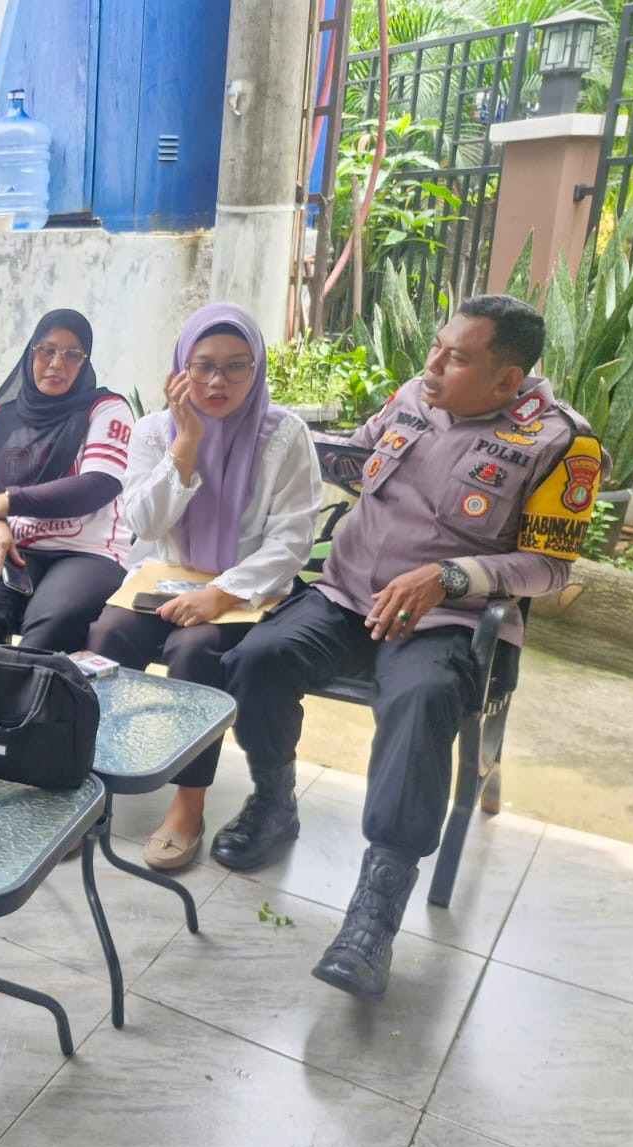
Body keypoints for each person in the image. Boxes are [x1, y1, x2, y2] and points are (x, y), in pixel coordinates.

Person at [218, 295, 605, 1001]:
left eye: (457, 358)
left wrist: (454, 575)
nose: (432, 366)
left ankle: (376, 911)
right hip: (345, 599)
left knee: (423, 704)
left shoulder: (560, 444)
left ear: (507, 379)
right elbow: (361, 459)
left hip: (447, 620)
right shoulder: (411, 398)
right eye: (436, 346)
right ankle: (274, 800)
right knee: (253, 660)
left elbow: (550, 570)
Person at [85, 302, 321, 871]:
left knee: (196, 651)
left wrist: (221, 595)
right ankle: (91, 789)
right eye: (203, 365)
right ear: (181, 369)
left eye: (236, 366)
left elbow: (291, 542)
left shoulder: (285, 436)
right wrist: (185, 442)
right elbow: (143, 524)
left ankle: (187, 804)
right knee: (106, 635)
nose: (217, 381)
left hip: (247, 591)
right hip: (167, 580)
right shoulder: (153, 431)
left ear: (257, 368)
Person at [0, 308, 136, 664]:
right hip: (16, 547)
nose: (56, 363)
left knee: (52, 622)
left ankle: (32, 718)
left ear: (84, 362)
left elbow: (98, 485)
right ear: (30, 353)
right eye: (46, 350)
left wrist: (6, 503)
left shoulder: (105, 409)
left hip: (89, 552)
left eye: (72, 354)